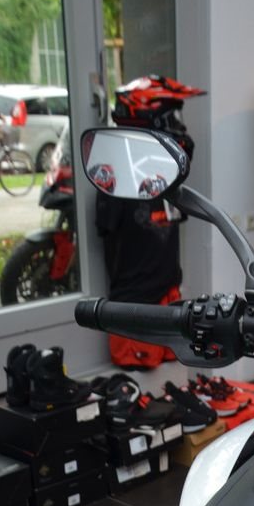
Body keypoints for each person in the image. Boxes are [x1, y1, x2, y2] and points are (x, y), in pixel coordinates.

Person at [95, 74, 206, 369]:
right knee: (142, 378)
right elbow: (106, 228)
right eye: (173, 119)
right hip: (135, 308)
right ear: (151, 120)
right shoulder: (116, 174)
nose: (179, 127)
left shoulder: (160, 172)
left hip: (168, 296)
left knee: (174, 371)